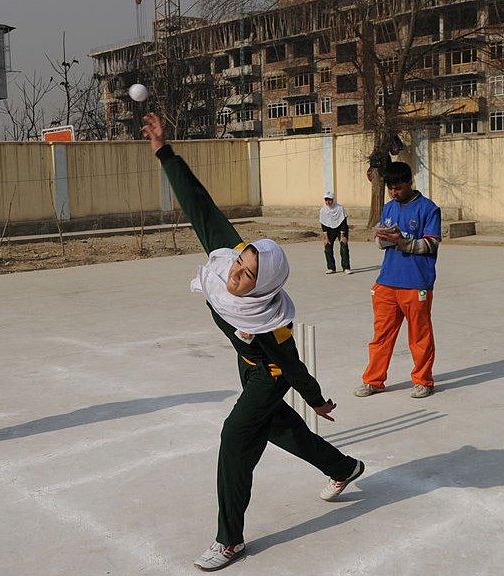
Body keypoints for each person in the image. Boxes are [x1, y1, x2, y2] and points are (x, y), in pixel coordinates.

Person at [142, 113, 364, 572]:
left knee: (235, 438)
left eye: (247, 277)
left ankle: (229, 540)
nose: (236, 277)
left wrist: (317, 400)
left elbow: (291, 361)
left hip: (270, 375)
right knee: (279, 430)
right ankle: (343, 468)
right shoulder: (228, 258)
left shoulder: (272, 322)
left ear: (265, 287)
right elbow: (199, 206)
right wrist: (165, 150)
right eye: (239, 267)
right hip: (247, 366)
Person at [357, 161, 441, 400]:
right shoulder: (389, 208)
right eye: (391, 188)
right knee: (381, 336)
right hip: (387, 281)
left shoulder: (429, 209)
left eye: (398, 187)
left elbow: (431, 244)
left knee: (419, 336)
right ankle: (373, 380)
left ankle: (423, 380)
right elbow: (382, 244)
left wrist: (402, 241)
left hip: (416, 282)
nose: (394, 192)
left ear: (409, 182)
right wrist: (382, 237)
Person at [319, 191, 351, 274]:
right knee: (327, 247)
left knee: (344, 247)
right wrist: (325, 237)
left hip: (341, 229)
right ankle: (331, 268)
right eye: (326, 200)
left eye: (329, 200)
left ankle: (346, 267)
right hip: (329, 230)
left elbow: (344, 223)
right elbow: (323, 224)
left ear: (333, 200)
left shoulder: (340, 208)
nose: (328, 202)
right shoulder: (323, 210)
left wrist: (343, 235)